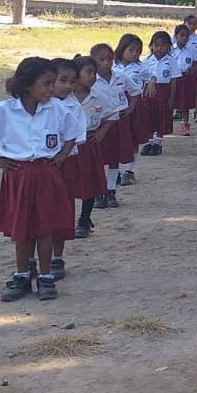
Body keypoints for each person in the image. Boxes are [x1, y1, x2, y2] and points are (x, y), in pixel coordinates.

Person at [0, 57, 77, 302]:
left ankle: (46, 278)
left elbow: (73, 133)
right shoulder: (4, 110)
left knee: (45, 229)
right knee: (23, 230)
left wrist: (61, 155)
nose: (51, 89)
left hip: (47, 173)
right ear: (27, 84)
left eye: (52, 83)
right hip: (18, 175)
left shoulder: (58, 108)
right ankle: (23, 275)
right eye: (46, 84)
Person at [49, 57, 89, 279]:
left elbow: (75, 137)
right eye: (61, 80)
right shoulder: (37, 104)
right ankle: (32, 259)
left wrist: (61, 156)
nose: (67, 86)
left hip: (65, 164)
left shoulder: (74, 106)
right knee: (39, 210)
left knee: (62, 211)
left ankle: (57, 257)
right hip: (41, 165)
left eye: (72, 81)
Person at [91, 42, 133, 209]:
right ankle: (98, 193)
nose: (106, 63)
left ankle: (110, 191)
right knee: (98, 159)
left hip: (117, 122)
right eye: (101, 59)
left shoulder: (120, 76)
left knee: (114, 158)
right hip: (97, 124)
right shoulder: (90, 80)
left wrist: (130, 108)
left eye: (110, 59)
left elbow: (136, 91)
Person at [71, 55, 108, 239]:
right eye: (88, 72)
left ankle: (84, 219)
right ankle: (66, 219)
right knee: (68, 184)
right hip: (69, 148)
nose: (93, 76)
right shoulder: (64, 98)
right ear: (76, 75)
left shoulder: (98, 96)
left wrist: (102, 131)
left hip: (89, 144)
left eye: (95, 72)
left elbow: (113, 113)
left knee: (89, 182)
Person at [112, 34, 146, 185]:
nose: (134, 54)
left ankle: (129, 171)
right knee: (116, 139)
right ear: (122, 49)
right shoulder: (112, 65)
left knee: (132, 138)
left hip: (133, 104)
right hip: (114, 105)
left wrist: (151, 82)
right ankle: (115, 171)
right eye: (131, 50)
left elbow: (153, 75)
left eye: (137, 51)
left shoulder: (140, 66)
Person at [140, 31, 180, 156]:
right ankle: (148, 141)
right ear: (151, 46)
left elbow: (174, 79)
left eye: (162, 45)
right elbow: (141, 79)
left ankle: (158, 142)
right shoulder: (146, 60)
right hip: (149, 92)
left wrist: (172, 97)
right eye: (156, 45)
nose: (159, 48)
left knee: (161, 116)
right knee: (148, 116)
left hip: (164, 92)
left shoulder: (171, 61)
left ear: (168, 46)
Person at [171, 24, 197, 135]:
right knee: (171, 101)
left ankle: (186, 125)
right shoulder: (171, 49)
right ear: (176, 36)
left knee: (185, 103)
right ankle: (168, 125)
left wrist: (193, 69)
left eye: (186, 36)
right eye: (181, 35)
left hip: (185, 78)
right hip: (173, 78)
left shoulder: (191, 49)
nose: (184, 38)